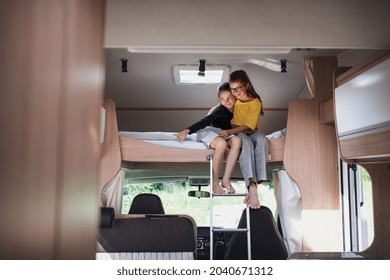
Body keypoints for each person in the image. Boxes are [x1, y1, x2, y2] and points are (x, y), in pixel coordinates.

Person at [175, 82, 241, 194]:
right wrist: (187, 131)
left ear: (234, 95)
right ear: (219, 100)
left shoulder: (240, 109)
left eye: (229, 97)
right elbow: (205, 121)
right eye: (222, 99)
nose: (226, 101)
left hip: (223, 133)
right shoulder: (219, 110)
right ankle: (215, 183)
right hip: (209, 131)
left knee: (237, 141)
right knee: (221, 144)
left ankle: (225, 180)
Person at [218, 70, 268, 209]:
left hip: (249, 129)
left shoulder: (255, 102)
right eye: (232, 89)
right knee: (245, 143)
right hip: (237, 131)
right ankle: (252, 188)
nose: (235, 92)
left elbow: (249, 125)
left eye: (238, 88)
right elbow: (223, 102)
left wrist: (229, 131)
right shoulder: (235, 99)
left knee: (262, 140)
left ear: (246, 85)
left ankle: (255, 185)